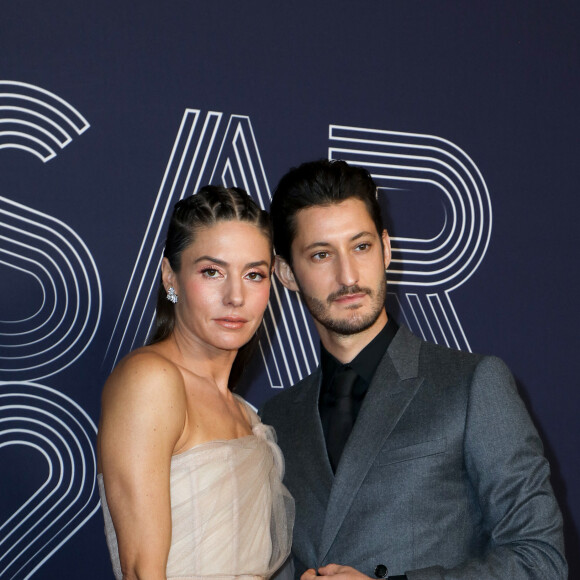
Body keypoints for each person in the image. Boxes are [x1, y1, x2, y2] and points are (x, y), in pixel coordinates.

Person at [260, 160, 566, 580]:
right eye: (320, 254)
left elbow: (541, 561)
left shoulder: (473, 385)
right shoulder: (276, 420)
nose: (348, 275)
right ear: (286, 274)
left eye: (361, 246)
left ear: (386, 249)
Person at [97, 186, 294, 580]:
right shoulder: (150, 381)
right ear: (171, 276)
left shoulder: (244, 413)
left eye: (253, 275)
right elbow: (142, 572)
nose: (235, 296)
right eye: (212, 272)